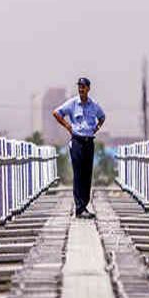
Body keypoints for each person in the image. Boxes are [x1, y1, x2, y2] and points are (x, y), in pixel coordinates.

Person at [52, 77, 106, 218]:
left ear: (88, 88)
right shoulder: (72, 104)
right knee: (78, 174)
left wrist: (96, 128)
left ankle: (84, 205)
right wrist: (68, 126)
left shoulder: (93, 105)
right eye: (79, 87)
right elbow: (56, 113)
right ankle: (79, 207)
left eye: (83, 87)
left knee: (87, 174)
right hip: (77, 142)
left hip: (89, 142)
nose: (81, 89)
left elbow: (102, 117)